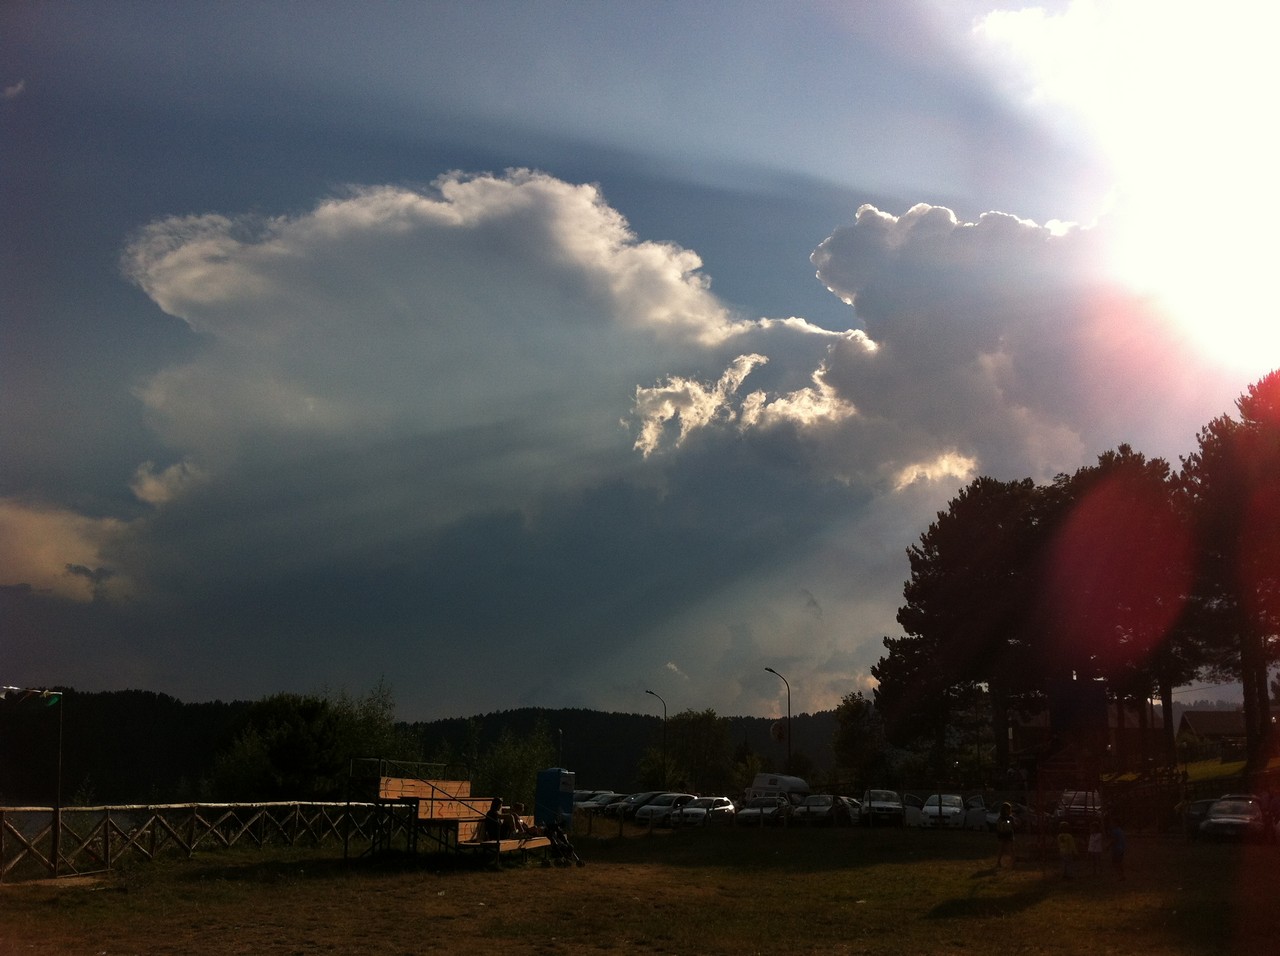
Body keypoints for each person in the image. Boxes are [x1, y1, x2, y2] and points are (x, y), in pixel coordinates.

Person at [995, 802, 1015, 868]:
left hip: (1008, 834)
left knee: (1010, 849)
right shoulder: (1001, 818)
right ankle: (998, 862)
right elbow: (999, 826)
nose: (1009, 810)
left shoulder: (1010, 818)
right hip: (1003, 835)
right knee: (1001, 849)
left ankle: (1012, 862)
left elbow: (1012, 824)